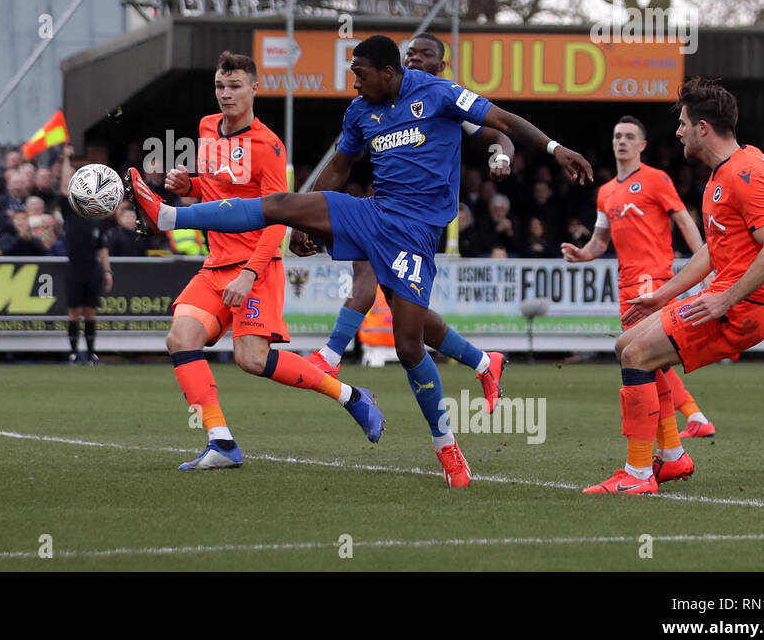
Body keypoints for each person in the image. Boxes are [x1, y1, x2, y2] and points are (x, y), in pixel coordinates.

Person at [127, 36, 593, 486]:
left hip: (416, 232)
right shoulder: (360, 110)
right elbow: (339, 169)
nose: (353, 82)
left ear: (389, 74)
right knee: (282, 203)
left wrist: (556, 149)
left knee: (409, 344)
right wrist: (307, 226)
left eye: (360, 74)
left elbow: (504, 122)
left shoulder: (439, 93)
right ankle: (170, 216)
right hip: (373, 212)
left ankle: (447, 442)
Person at [150, 51, 389, 472]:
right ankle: (220, 441)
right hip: (214, 264)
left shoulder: (269, 147)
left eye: (235, 86)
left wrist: (248, 274)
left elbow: (279, 216)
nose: (226, 94)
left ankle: (351, 396)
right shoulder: (207, 128)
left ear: (254, 88)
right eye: (221, 86)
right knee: (180, 338)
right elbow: (213, 190)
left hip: (255, 267)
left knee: (251, 360)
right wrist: (187, 184)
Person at [583, 79, 764, 494]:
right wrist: (661, 296)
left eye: (682, 123)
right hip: (728, 298)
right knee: (626, 345)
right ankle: (673, 457)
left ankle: (639, 474)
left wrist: (724, 300)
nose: (677, 132)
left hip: (742, 307)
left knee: (638, 354)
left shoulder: (743, 174)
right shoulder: (727, 172)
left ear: (703, 128)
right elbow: (715, 251)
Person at [305, 34, 509, 413]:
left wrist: (501, 156)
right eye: (410, 53)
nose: (415, 58)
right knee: (405, 318)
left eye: (424, 53)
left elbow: (497, 130)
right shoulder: (373, 104)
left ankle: (331, 354)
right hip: (386, 209)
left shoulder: (446, 99)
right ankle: (484, 362)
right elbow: (340, 164)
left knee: (402, 324)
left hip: (420, 221)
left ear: (440, 65)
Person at [562, 116, 713, 458]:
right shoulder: (606, 192)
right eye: (618, 136)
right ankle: (684, 431)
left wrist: (705, 261)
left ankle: (680, 435)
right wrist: (581, 254)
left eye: (630, 136)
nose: (622, 141)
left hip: (653, 282)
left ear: (642, 145)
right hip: (626, 284)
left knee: (645, 360)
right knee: (649, 363)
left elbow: (684, 221)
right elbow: (600, 242)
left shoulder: (656, 180)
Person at [55, 150, 113, 364]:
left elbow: (102, 247)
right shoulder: (71, 210)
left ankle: (90, 353)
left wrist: (107, 271)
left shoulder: (97, 215)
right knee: (74, 312)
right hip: (75, 269)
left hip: (93, 270)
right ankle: (73, 353)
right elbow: (64, 188)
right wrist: (67, 159)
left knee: (90, 313)